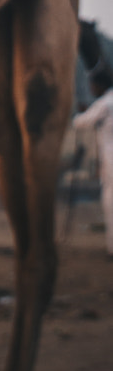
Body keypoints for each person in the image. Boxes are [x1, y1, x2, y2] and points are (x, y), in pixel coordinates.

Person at [73, 65, 113, 257]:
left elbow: (81, 122)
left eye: (92, 84)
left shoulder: (104, 104)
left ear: (99, 85)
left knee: (110, 204)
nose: (91, 88)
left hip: (111, 164)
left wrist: (82, 112)